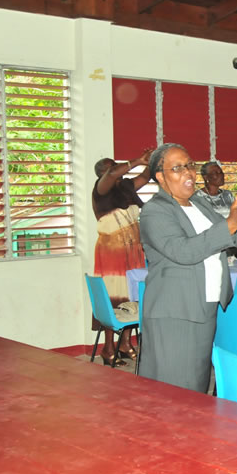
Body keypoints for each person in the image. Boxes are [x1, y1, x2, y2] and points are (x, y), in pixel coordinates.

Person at [138, 144, 237, 392]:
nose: (187, 173)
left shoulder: (199, 203)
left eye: (189, 165)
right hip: (174, 308)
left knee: (197, 381)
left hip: (204, 303)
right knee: (174, 386)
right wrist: (230, 224)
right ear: (160, 177)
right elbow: (184, 252)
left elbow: (232, 238)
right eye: (177, 168)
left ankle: (192, 429)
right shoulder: (155, 211)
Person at [91, 150, 152, 366]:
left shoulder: (125, 187)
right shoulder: (102, 188)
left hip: (134, 249)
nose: (114, 169)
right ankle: (108, 349)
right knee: (114, 294)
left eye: (114, 165)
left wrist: (152, 162)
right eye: (109, 168)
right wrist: (135, 159)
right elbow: (111, 175)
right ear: (102, 174)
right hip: (112, 250)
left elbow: (145, 177)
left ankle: (125, 344)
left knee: (131, 294)